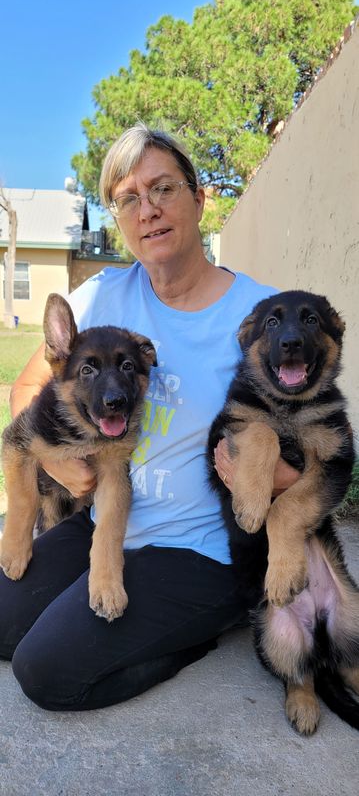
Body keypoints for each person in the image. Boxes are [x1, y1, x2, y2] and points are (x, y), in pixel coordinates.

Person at [0, 123, 298, 711]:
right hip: (105, 524)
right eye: (128, 198)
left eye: (163, 188)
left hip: (199, 548)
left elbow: (313, 445)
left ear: (199, 198)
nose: (149, 210)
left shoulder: (262, 316)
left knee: (46, 671)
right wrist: (62, 472)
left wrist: (268, 476)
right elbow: (28, 387)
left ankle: (196, 637)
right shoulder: (101, 296)